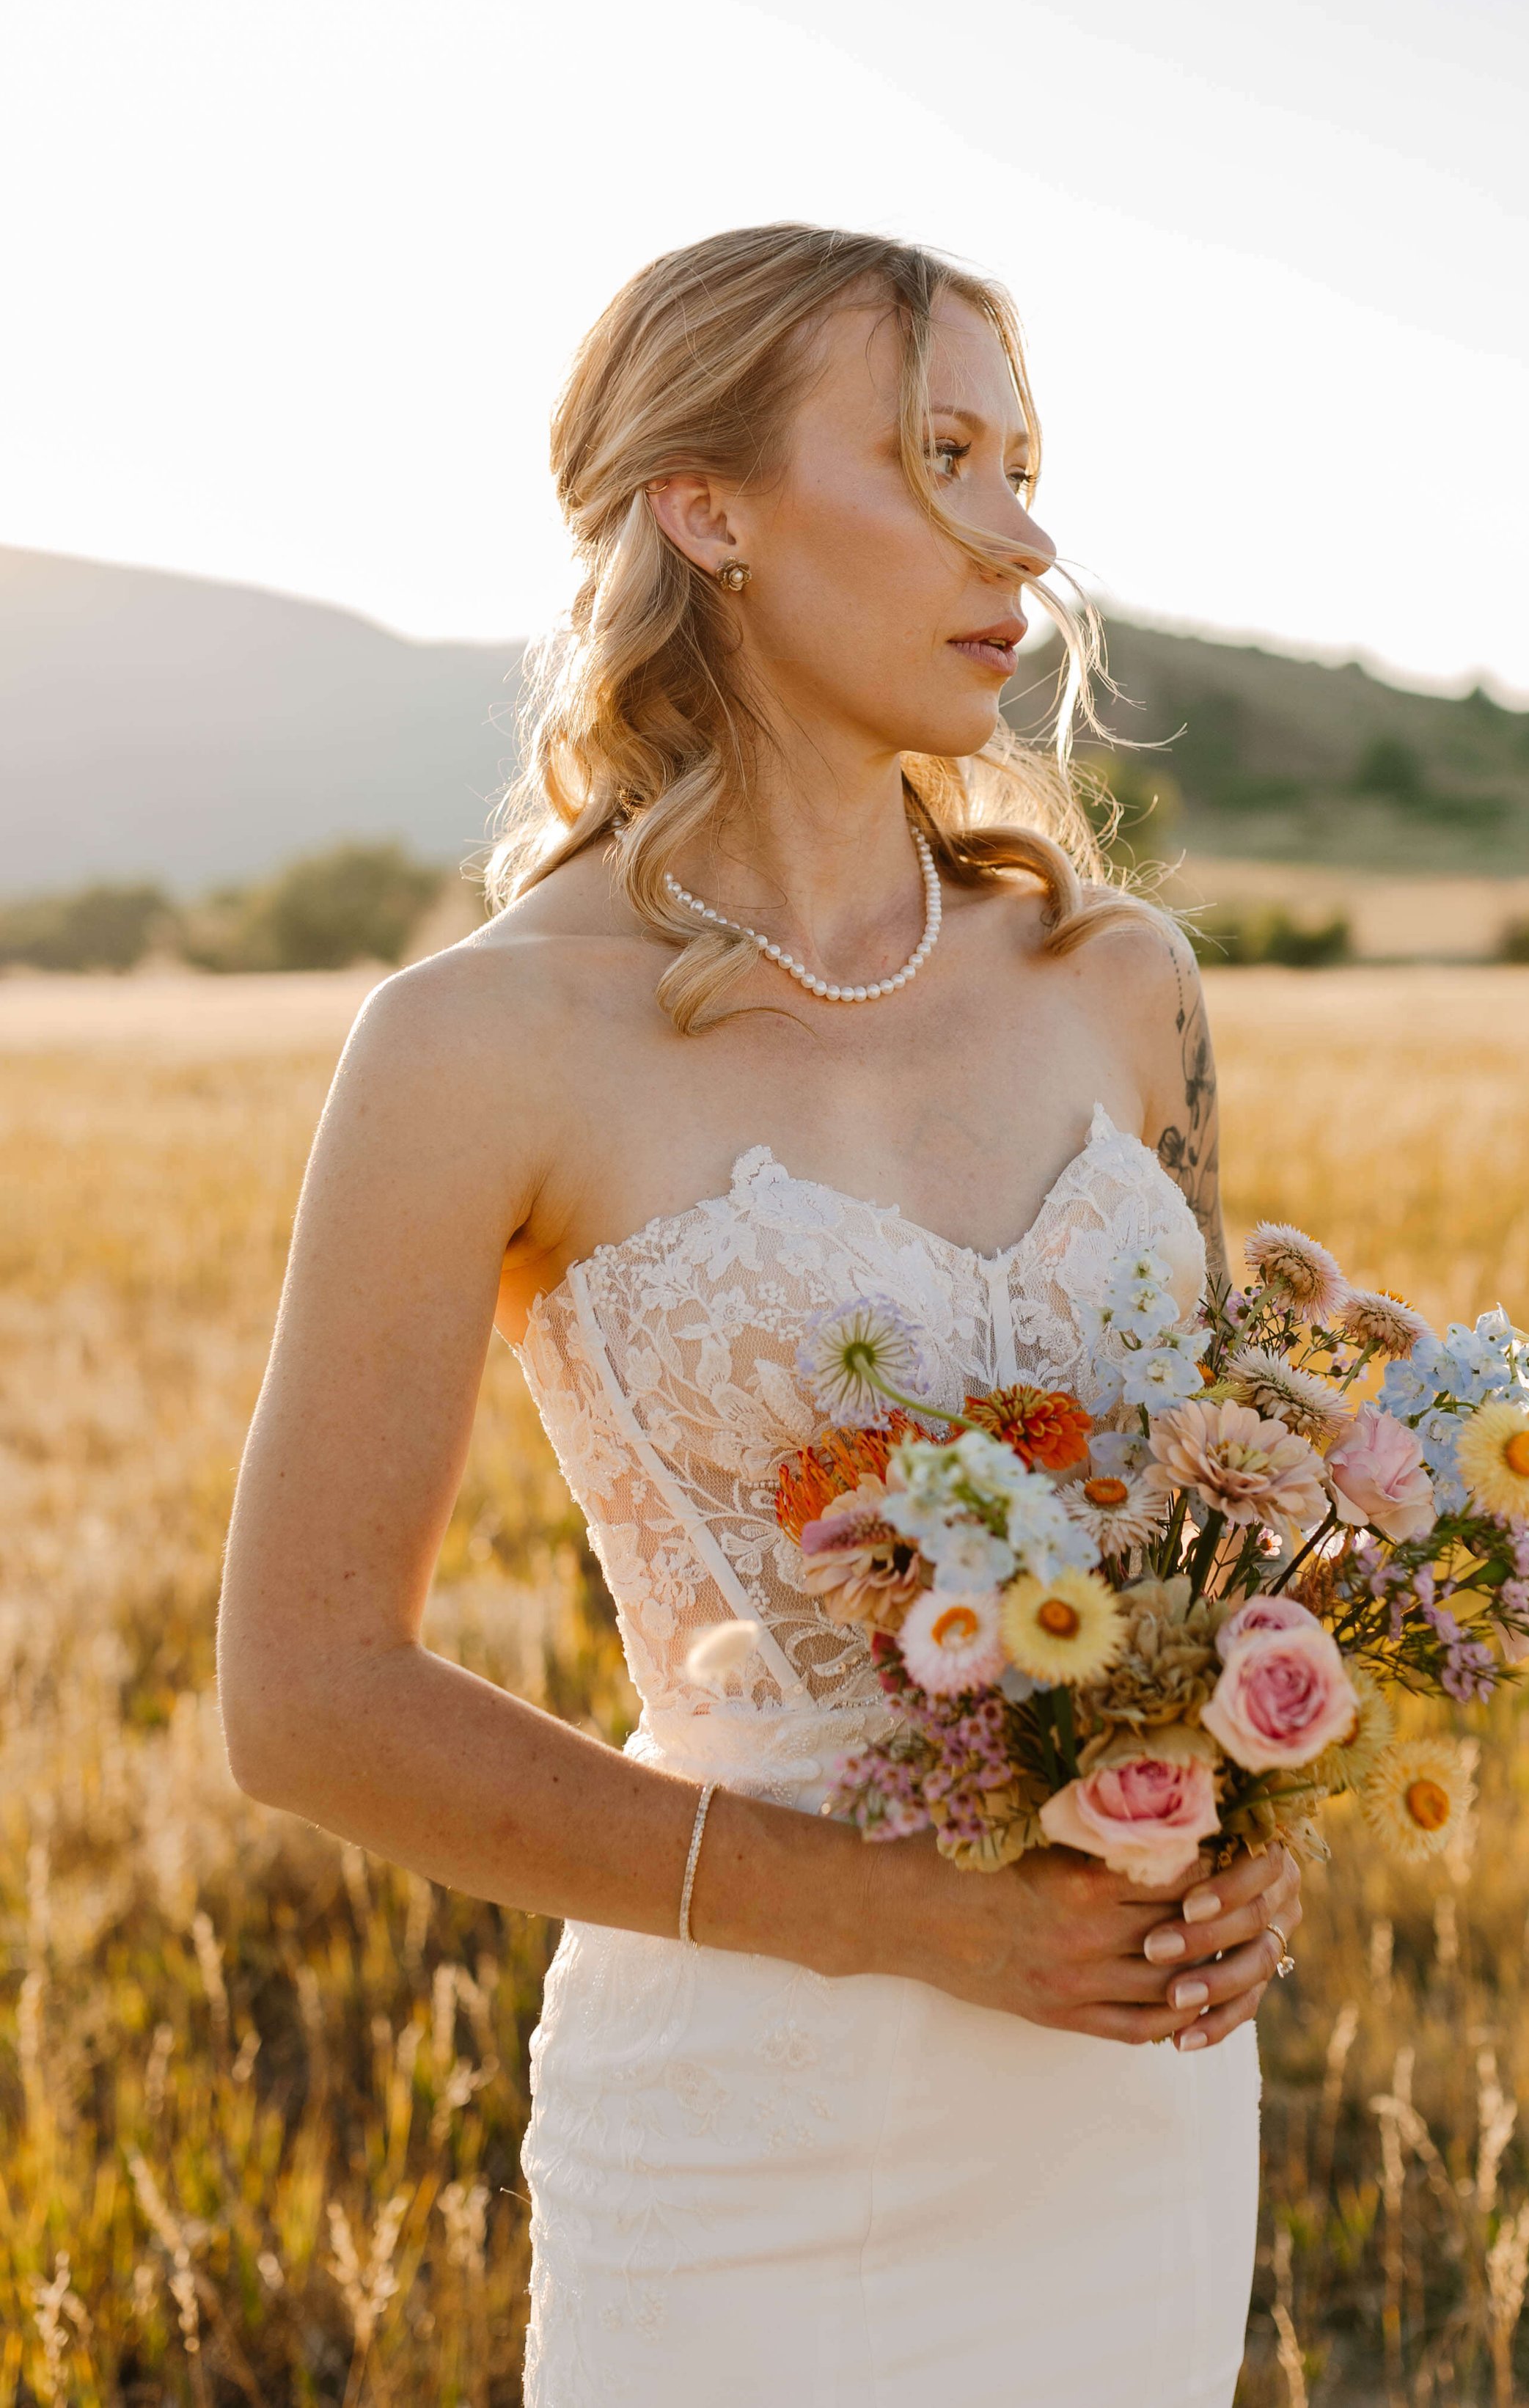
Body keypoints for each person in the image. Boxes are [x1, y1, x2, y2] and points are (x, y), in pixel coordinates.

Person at [218, 224, 1302, 2404]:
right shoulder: (480, 1043)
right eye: (936, 457)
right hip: (751, 2134)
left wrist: (1250, 1828)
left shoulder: (1121, 986)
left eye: (1021, 461)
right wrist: (919, 1919)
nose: (1022, 533)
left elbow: (1209, 1515)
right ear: (705, 511)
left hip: (1128, 2093)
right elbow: (308, 1702)